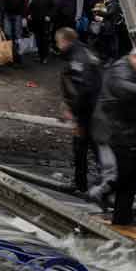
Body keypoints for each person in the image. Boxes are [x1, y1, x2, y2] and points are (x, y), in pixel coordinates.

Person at [90, 38, 136, 223]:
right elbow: (123, 87)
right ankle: (102, 192)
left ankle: (123, 216)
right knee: (125, 174)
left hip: (131, 132)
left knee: (134, 175)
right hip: (115, 131)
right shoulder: (120, 69)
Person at [57, 27, 102, 193]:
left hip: (86, 112)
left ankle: (83, 184)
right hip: (93, 110)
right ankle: (85, 182)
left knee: (83, 148)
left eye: (59, 42)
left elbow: (83, 88)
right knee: (90, 148)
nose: (58, 46)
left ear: (65, 41)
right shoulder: (86, 52)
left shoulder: (77, 59)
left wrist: (74, 112)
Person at [0, 0, 30, 67]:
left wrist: (25, 16)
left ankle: (19, 59)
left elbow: (25, 1)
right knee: (8, 35)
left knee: (18, 37)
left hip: (18, 15)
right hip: (7, 14)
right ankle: (11, 57)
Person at [28, 0, 56, 64]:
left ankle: (45, 57)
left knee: (45, 40)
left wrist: (49, 16)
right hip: (36, 21)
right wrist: (30, 14)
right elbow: (31, 7)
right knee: (38, 39)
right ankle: (40, 56)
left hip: (45, 22)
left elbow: (54, 8)